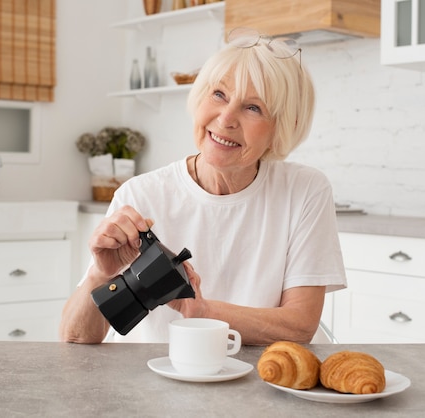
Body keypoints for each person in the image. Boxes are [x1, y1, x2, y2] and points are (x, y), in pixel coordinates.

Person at [60, 28, 347, 345]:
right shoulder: (139, 195)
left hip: (261, 384)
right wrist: (101, 275)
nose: (225, 119)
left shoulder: (304, 191)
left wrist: (201, 310)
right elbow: (74, 341)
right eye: (219, 95)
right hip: (152, 386)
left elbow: (299, 326)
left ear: (284, 126)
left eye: (253, 108)